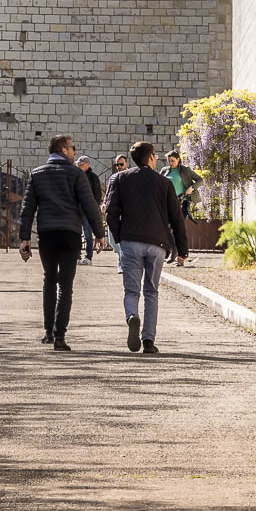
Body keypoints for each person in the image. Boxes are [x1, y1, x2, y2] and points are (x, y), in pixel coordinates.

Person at [18, 133, 106, 351]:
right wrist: (99, 234)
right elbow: (90, 206)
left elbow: (27, 208)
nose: (74, 151)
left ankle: (48, 331)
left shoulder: (37, 174)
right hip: (70, 234)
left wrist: (24, 239)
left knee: (49, 280)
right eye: (72, 147)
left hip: (47, 234)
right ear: (64, 150)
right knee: (65, 285)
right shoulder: (76, 174)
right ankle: (60, 336)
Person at [106, 140, 182, 355]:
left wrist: (119, 236)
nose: (157, 158)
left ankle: (132, 316)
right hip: (157, 244)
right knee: (151, 291)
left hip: (130, 241)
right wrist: (181, 249)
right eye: (155, 155)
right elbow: (176, 218)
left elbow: (111, 211)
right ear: (150, 157)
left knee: (131, 289)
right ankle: (148, 341)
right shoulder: (164, 182)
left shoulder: (120, 178)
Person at [163, 150, 202, 266]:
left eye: (173, 161)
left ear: (178, 159)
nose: (170, 163)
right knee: (165, 228)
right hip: (167, 204)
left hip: (182, 203)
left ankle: (180, 257)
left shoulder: (185, 170)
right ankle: (174, 251)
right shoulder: (164, 171)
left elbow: (200, 180)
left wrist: (191, 188)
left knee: (178, 230)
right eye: (169, 161)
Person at [77, 156, 103, 262]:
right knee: (76, 234)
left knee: (87, 234)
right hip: (77, 209)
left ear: (87, 165)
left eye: (81, 164)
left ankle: (88, 256)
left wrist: (92, 207)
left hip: (87, 210)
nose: (79, 166)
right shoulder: (76, 176)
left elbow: (97, 195)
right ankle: (77, 255)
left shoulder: (93, 178)